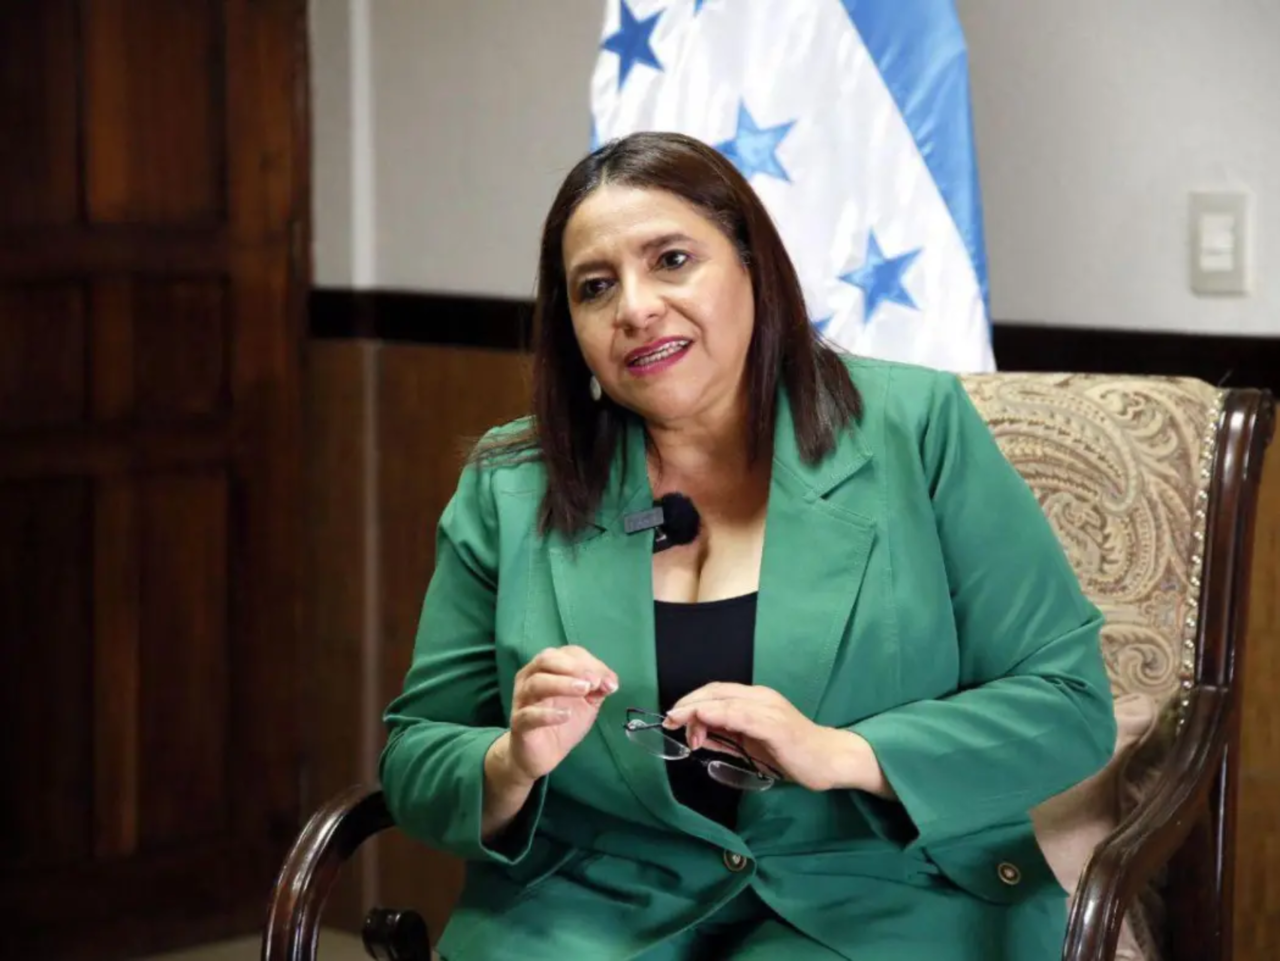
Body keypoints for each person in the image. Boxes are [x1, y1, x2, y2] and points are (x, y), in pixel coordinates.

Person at [379, 131, 1116, 960]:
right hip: (593, 905)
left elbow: (1067, 704)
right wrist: (510, 759)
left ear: (754, 267)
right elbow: (417, 754)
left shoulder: (916, 429)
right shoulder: (512, 483)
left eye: (672, 260)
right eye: (595, 286)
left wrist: (843, 751)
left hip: (876, 894)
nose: (635, 308)